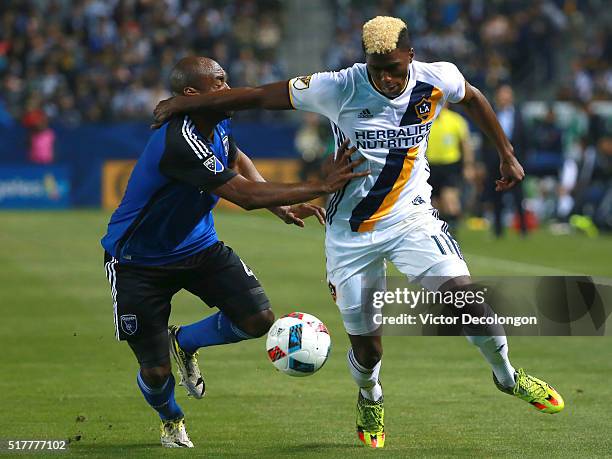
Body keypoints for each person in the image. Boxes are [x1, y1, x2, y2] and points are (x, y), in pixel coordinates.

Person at [152, 18, 565, 449]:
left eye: (393, 68)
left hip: (413, 220)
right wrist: (185, 105)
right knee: (369, 351)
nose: (385, 78)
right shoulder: (339, 86)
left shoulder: (437, 77)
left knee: (466, 299)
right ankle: (370, 395)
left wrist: (506, 154)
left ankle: (508, 377)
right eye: (376, 68)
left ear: (411, 55)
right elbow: (258, 95)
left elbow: (474, 98)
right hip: (350, 236)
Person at [101, 56, 367, 448]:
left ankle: (186, 340)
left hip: (198, 245)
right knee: (156, 371)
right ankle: (171, 418)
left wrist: (279, 204)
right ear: (193, 94)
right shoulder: (180, 142)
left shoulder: (218, 120)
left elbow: (236, 158)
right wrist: (320, 186)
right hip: (137, 262)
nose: (230, 89)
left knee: (258, 318)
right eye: (220, 82)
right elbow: (241, 196)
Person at [482, 84, 528, 237]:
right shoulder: (492, 114)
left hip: (515, 161)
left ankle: (523, 229)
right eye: (502, 94)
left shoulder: (519, 115)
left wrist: (521, 160)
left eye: (507, 94)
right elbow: (485, 138)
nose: (504, 98)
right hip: (495, 161)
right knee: (497, 195)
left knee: (518, 196)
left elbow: (525, 139)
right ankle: (498, 230)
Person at [426, 104, 475, 232]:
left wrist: (468, 166)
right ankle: (441, 230)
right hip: (430, 165)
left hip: (450, 165)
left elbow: (465, 145)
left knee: (450, 198)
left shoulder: (456, 120)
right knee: (434, 203)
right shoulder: (425, 119)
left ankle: (453, 230)